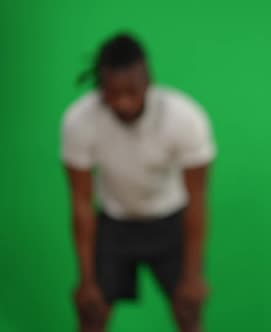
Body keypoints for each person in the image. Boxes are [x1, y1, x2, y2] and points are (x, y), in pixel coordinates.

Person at [62, 33, 216, 332]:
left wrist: (193, 275)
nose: (124, 102)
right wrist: (86, 279)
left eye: (132, 91)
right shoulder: (79, 121)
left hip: (171, 222)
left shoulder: (185, 118)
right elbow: (81, 201)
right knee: (91, 314)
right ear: (101, 88)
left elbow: (197, 197)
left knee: (188, 311)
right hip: (114, 223)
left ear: (148, 81)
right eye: (113, 93)